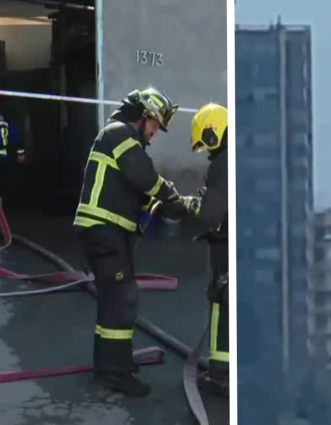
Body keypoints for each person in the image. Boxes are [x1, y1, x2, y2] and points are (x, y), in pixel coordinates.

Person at [74, 87, 195, 398]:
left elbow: (138, 193)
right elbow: (145, 178)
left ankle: (110, 364)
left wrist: (162, 207)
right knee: (122, 301)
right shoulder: (119, 134)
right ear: (144, 116)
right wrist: (170, 196)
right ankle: (116, 374)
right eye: (155, 125)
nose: (154, 134)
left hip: (108, 235)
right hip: (104, 233)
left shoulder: (124, 142)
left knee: (115, 301)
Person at [163, 103, 229, 396]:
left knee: (221, 307)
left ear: (213, 132)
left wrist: (186, 205)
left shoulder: (222, 163)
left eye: (205, 142)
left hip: (226, 250)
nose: (206, 149)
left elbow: (212, 214)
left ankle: (220, 376)